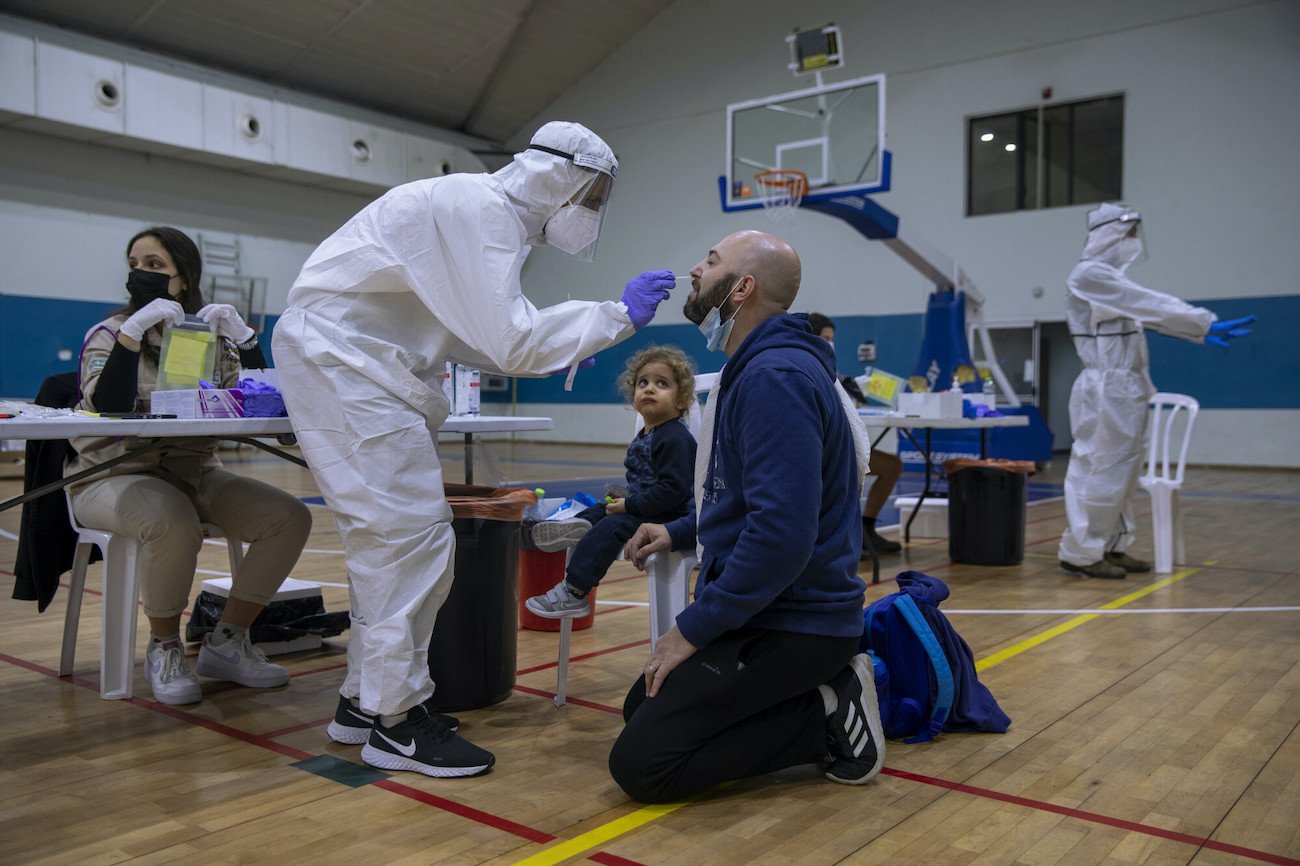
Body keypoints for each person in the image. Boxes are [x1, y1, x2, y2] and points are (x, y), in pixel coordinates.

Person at [272, 121, 677, 778]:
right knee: (409, 541)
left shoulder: (484, 218)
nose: (593, 213)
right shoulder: (480, 210)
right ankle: (397, 723)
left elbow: (483, 340)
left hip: (360, 365)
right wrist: (613, 316)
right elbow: (510, 343)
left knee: (390, 543)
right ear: (559, 175)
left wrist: (596, 326)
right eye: (593, 196)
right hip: (348, 363)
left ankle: (362, 705)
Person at [612, 230, 885, 804]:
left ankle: (825, 709)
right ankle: (801, 700)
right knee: (642, 707)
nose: (694, 268)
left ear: (741, 288)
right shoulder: (759, 367)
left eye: (710, 262)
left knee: (643, 766)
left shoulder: (773, 378)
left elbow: (781, 539)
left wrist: (691, 629)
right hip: (768, 607)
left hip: (798, 621)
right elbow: (745, 502)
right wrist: (681, 530)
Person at [69, 226, 312, 705]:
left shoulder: (207, 338)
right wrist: (131, 336)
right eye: (135, 264)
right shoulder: (109, 334)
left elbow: (262, 403)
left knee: (289, 517)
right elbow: (107, 405)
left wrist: (244, 342)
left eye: (155, 265)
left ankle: (228, 641)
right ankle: (165, 645)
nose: (141, 274)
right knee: (171, 519)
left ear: (185, 278)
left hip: (195, 473)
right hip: (111, 476)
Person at [1058, 203, 1253, 579]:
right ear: (1109, 234)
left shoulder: (1110, 280)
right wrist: (1202, 321)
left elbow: (1148, 315)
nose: (1132, 242)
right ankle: (1082, 551)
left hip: (1125, 388)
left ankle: (1111, 546)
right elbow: (1147, 303)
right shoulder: (1090, 275)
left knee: (1125, 471)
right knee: (1102, 468)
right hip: (1106, 388)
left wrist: (1198, 332)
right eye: (1127, 233)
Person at [525, 345, 697, 618]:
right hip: (647, 507)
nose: (650, 388)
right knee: (598, 509)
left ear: (681, 399)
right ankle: (575, 526)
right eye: (643, 383)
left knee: (613, 525)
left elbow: (673, 491)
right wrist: (625, 500)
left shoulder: (675, 437)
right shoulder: (648, 433)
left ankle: (574, 592)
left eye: (661, 383)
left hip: (667, 516)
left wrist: (629, 506)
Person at [808, 312, 903, 556]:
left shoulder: (834, 373)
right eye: (826, 338)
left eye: (832, 338)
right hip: (821, 452)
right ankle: (843, 539)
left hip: (839, 447)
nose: (830, 343)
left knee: (891, 466)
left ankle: (866, 530)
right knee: (846, 473)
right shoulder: (809, 368)